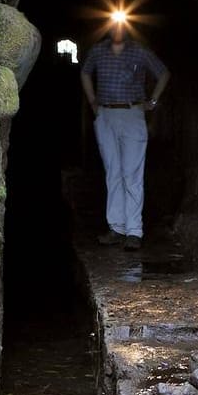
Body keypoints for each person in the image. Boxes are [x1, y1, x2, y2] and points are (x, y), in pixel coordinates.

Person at [80, 13, 169, 251]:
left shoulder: (139, 51)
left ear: (127, 28)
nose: (117, 30)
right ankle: (116, 227)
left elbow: (163, 73)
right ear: (108, 28)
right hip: (106, 114)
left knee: (132, 173)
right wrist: (92, 103)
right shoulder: (99, 51)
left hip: (132, 114)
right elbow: (85, 72)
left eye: (121, 25)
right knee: (113, 171)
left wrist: (153, 102)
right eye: (113, 25)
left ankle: (134, 231)